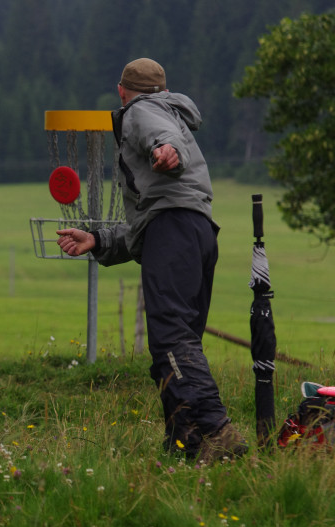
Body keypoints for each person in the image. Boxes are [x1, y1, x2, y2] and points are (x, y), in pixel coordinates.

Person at [56, 58, 248, 463]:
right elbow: (153, 222)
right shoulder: (172, 113)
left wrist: (166, 152)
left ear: (122, 90)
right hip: (197, 233)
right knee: (179, 345)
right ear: (164, 88)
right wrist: (99, 239)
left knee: (170, 339)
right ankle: (186, 442)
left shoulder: (141, 112)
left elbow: (160, 141)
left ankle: (216, 430)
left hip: (175, 232)